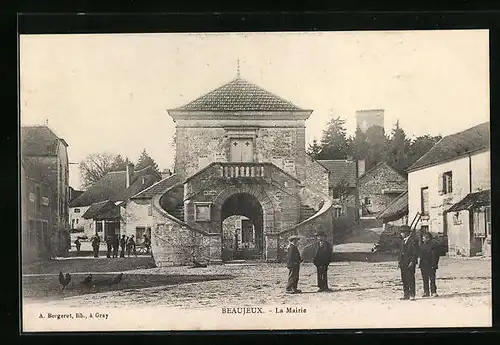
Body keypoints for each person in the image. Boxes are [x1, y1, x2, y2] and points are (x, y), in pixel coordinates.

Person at [398, 225, 419, 300]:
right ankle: (406, 294)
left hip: (410, 263)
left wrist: (412, 262)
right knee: (404, 279)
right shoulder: (402, 241)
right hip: (403, 263)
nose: (401, 234)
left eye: (402, 232)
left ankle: (412, 295)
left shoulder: (413, 240)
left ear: (406, 232)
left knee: (410, 278)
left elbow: (415, 253)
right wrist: (399, 262)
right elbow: (400, 252)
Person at [419, 232, 440, 297]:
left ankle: (433, 292)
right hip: (423, 265)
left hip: (431, 265)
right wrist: (420, 264)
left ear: (428, 238)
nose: (422, 238)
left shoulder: (433, 246)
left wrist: (434, 265)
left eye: (424, 237)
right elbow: (421, 256)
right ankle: (426, 292)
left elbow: (435, 256)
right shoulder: (423, 245)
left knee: (432, 279)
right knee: (425, 279)